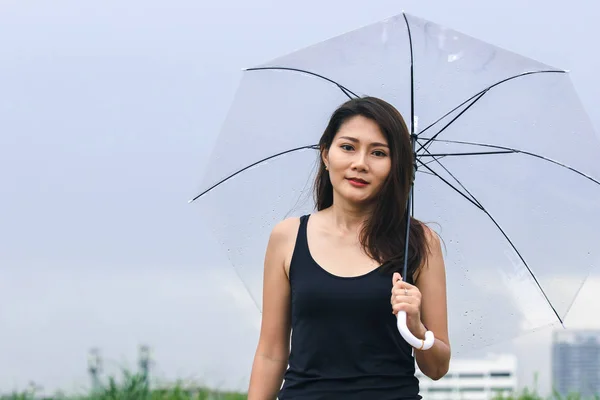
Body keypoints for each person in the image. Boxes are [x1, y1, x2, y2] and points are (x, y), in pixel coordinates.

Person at [247, 96, 450, 399]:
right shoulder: (287, 237)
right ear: (325, 153)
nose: (360, 163)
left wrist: (417, 328)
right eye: (348, 147)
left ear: (395, 166)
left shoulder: (420, 241)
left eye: (378, 152)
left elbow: (437, 367)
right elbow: (271, 353)